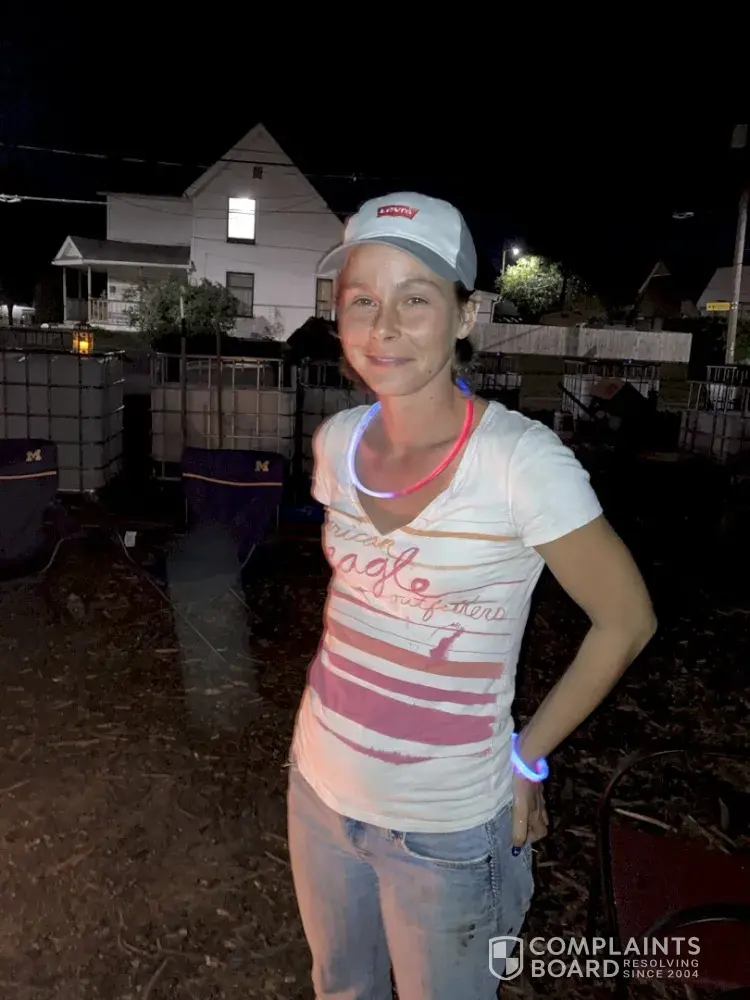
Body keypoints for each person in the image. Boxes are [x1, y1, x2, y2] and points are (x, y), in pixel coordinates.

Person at [287, 193, 656, 1000]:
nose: (383, 327)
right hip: (317, 790)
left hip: (446, 829)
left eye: (414, 299)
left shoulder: (521, 462)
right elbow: (361, 608)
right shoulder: (336, 443)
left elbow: (626, 620)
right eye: (362, 300)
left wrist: (529, 756)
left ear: (465, 314)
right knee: (340, 988)